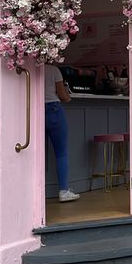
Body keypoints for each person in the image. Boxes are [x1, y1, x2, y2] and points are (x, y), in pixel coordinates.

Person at [45, 64, 80, 202]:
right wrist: (68, 97)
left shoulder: (31, 68)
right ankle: (64, 190)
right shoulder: (53, 70)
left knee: (37, 153)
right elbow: (62, 95)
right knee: (61, 153)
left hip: (35, 110)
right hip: (53, 109)